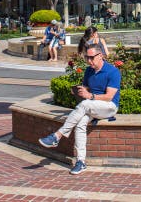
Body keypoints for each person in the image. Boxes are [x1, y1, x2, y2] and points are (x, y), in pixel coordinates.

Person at [38, 42, 121, 174]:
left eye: (91, 57)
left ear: (100, 56)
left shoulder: (113, 71)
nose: (89, 61)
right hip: (92, 106)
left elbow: (109, 96)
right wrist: (79, 91)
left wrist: (90, 96)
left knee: (85, 104)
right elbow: (87, 89)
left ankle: (57, 135)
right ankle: (81, 161)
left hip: (109, 107)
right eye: (87, 58)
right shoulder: (89, 71)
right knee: (81, 123)